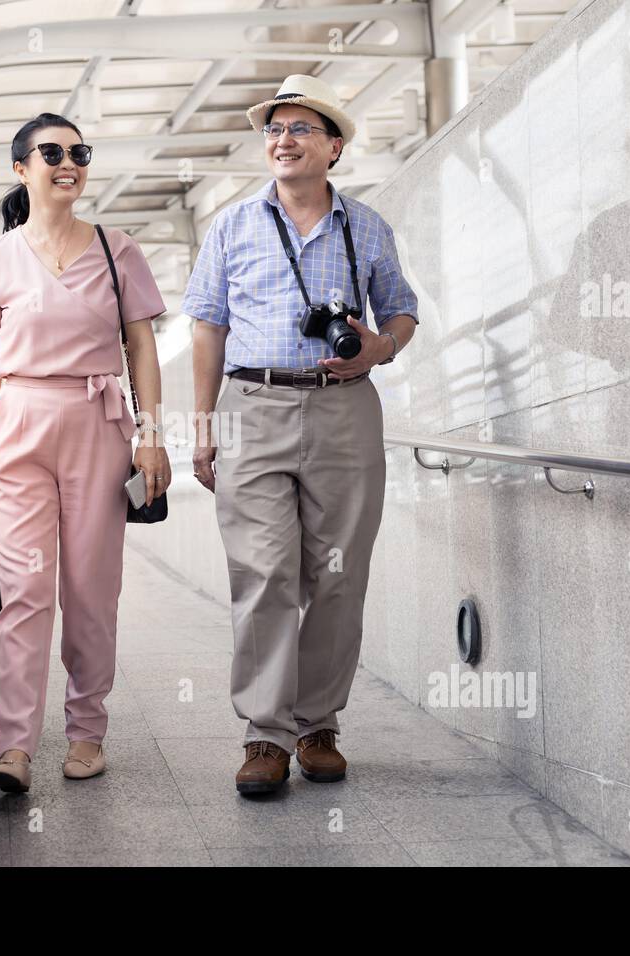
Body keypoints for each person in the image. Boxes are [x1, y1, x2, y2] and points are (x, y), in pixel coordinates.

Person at [184, 75, 419, 795]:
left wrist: (380, 347)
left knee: (338, 574)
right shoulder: (230, 224)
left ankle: (318, 724)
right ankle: (264, 735)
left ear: (334, 148)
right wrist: (204, 423)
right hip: (252, 404)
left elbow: (403, 312)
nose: (282, 141)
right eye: (274, 131)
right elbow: (207, 324)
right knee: (264, 573)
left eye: (299, 130)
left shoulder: (368, 226)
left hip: (345, 409)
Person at [0, 113, 170, 793]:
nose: (70, 162)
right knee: (26, 595)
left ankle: (87, 731)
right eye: (54, 152)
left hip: (98, 422)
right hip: (20, 428)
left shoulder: (118, 249)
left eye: (80, 152)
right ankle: (15, 746)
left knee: (92, 592)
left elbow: (142, 348)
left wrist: (151, 435)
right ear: (21, 169)